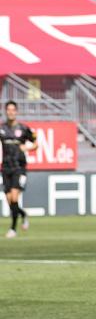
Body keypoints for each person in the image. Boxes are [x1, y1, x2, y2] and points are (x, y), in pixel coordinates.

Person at [1, 101, 37, 238]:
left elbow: (36, 143)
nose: (11, 112)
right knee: (10, 200)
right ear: (6, 111)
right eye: (8, 110)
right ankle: (23, 214)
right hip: (5, 167)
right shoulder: (2, 128)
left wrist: (26, 147)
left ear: (16, 112)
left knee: (15, 197)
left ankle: (13, 229)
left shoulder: (23, 128)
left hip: (19, 167)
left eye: (13, 110)